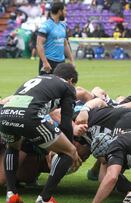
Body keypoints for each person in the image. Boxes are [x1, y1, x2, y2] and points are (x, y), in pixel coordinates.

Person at [0, 63, 82, 203]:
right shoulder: (67, 87)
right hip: (29, 117)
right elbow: (66, 123)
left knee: (13, 147)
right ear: (70, 80)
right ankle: (45, 198)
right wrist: (68, 147)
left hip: (5, 114)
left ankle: (11, 194)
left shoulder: (39, 79)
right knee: (69, 152)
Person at [37, 2, 74, 75]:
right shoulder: (46, 26)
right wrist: (45, 62)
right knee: (46, 85)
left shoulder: (63, 25)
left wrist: (71, 61)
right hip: (48, 61)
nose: (66, 13)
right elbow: (39, 44)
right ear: (60, 11)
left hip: (61, 63)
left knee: (60, 85)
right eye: (65, 11)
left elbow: (65, 44)